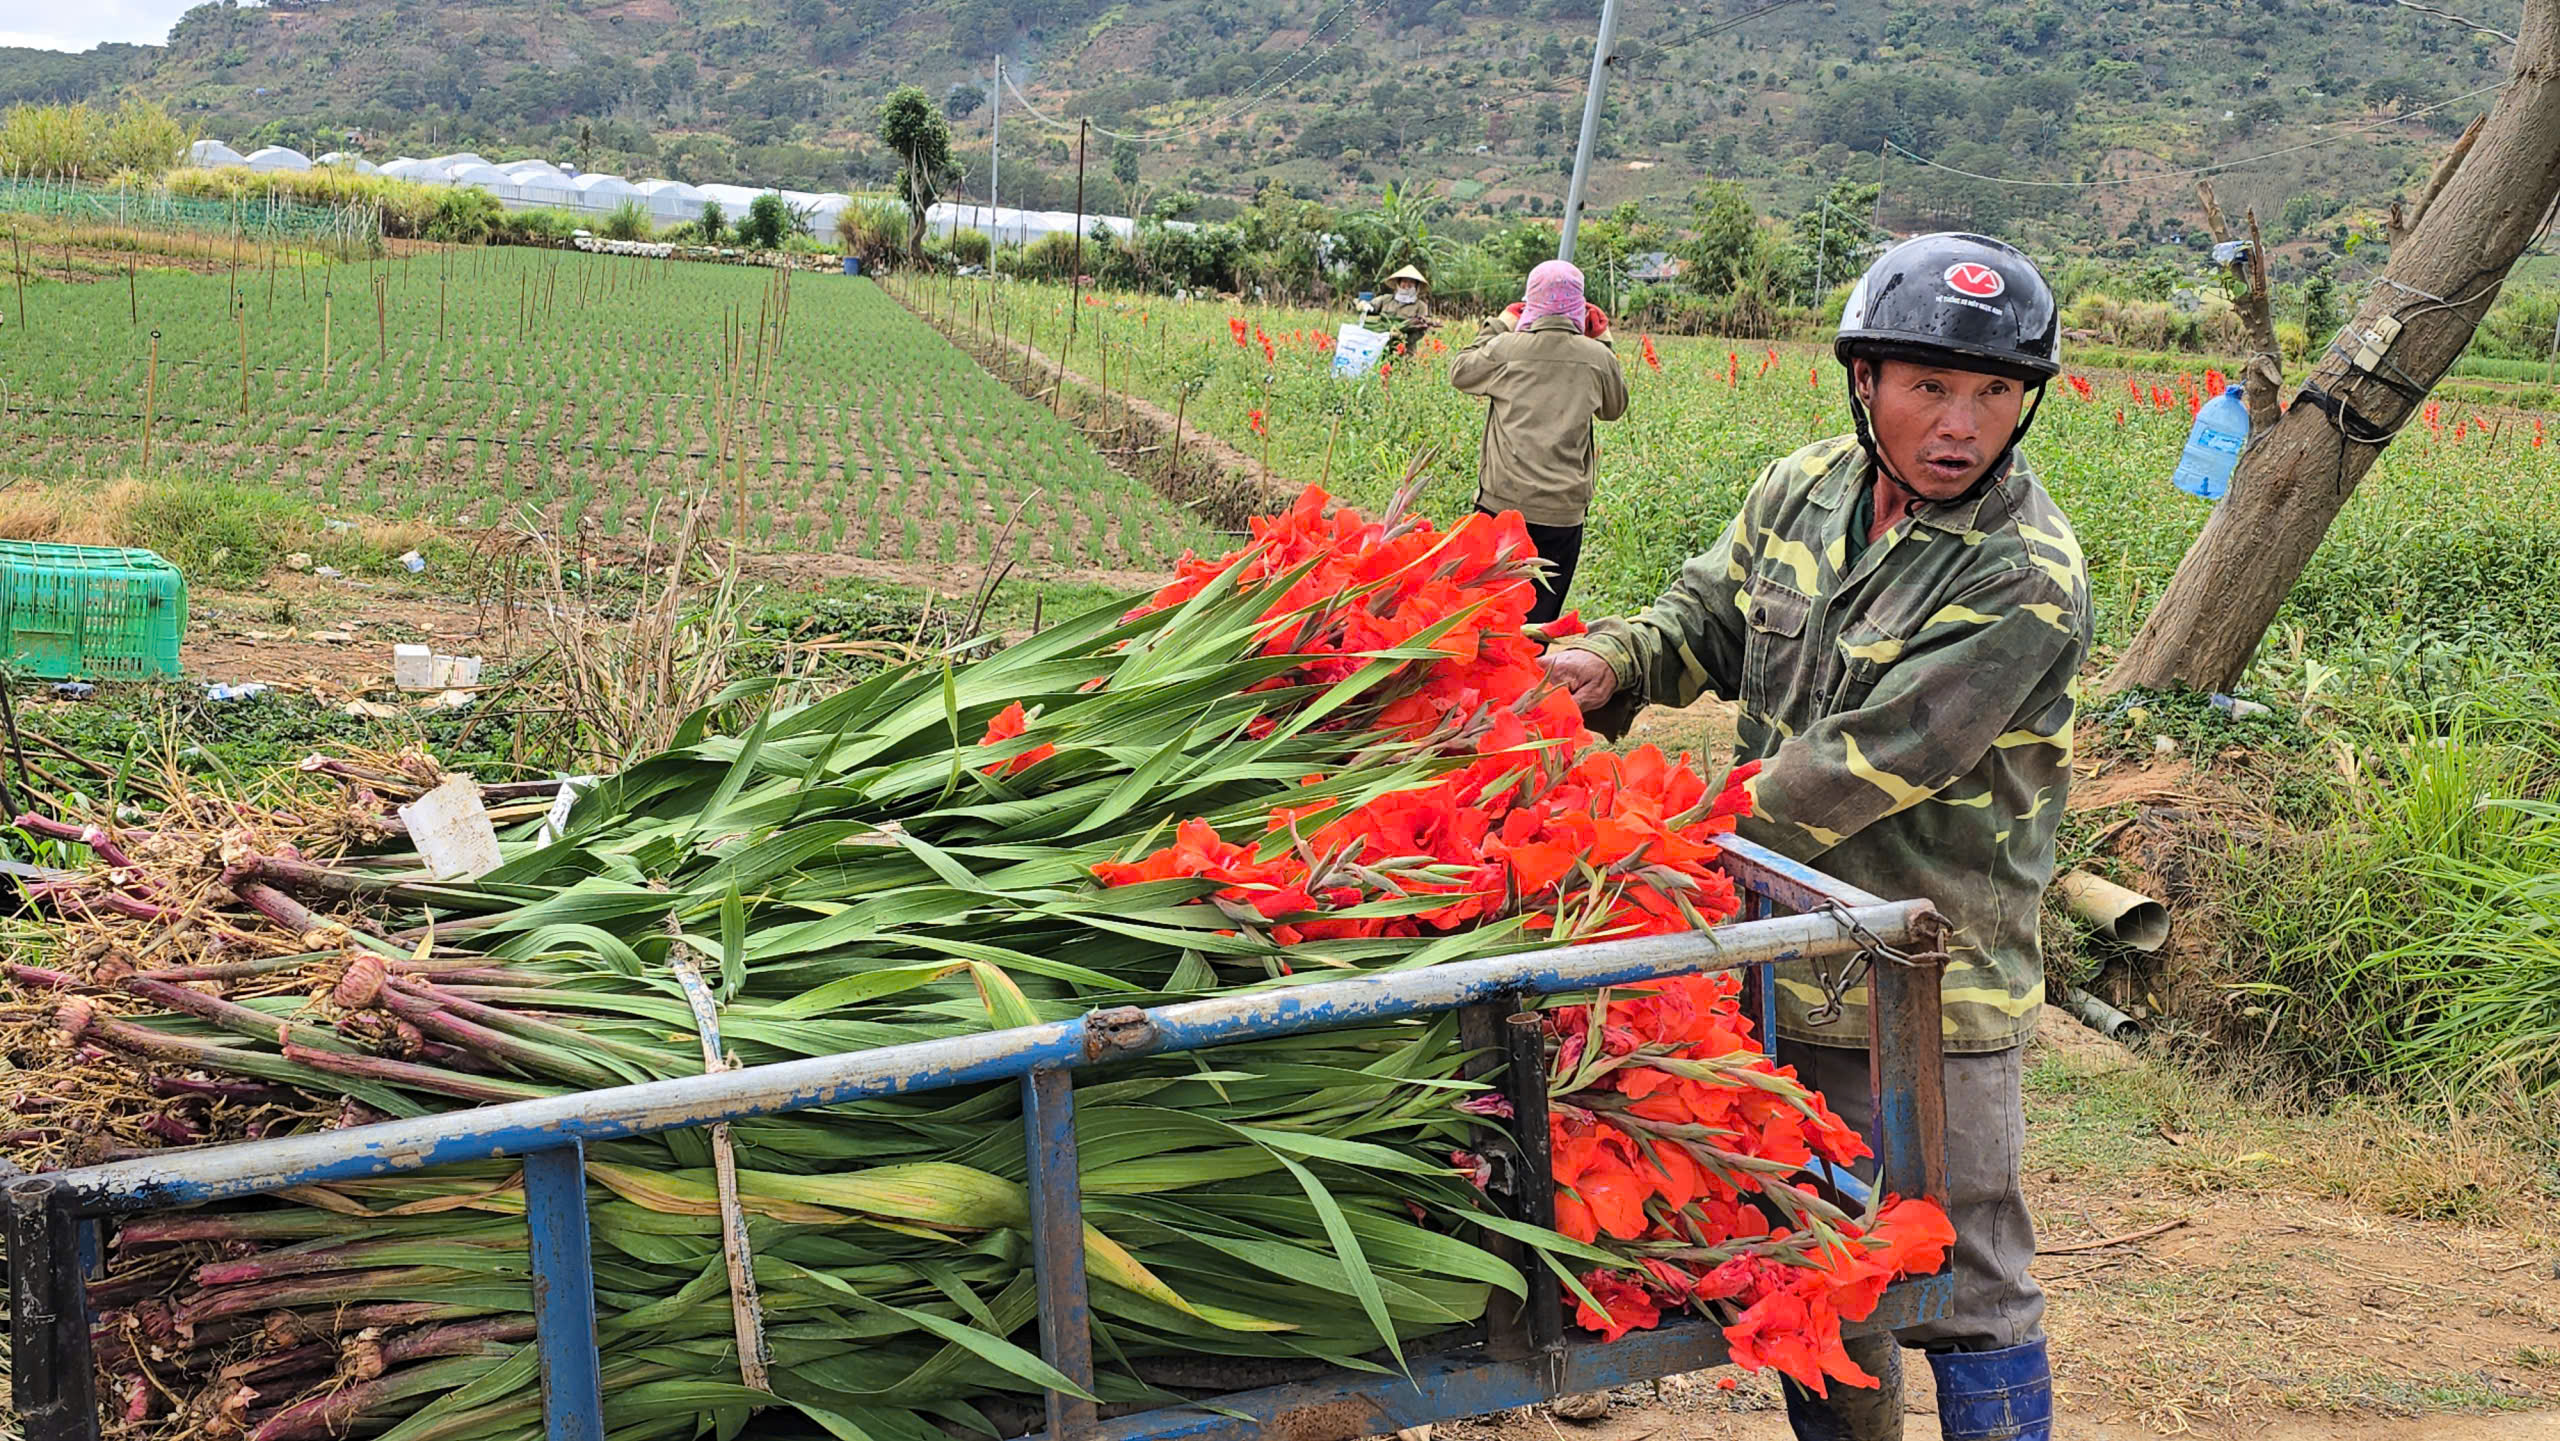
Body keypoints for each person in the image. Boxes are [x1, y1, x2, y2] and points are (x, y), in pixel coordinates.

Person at [1542, 233, 2087, 1441]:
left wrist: (1650, 826)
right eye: (1929, 386)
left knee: (1969, 1268)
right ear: (1864, 383)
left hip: (1923, 972)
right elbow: (1707, 617)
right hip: (1775, 948)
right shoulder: (1802, 488)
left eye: (1993, 391)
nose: (1961, 422)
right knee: (1816, 1244)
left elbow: (1863, 762)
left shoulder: (2024, 574)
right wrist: (1606, 660)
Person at [1452, 259, 1629, 624]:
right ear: (1580, 308)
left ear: (1530, 303)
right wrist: (1603, 341)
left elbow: (1460, 372)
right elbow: (1614, 408)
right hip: (1562, 515)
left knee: (1481, 612)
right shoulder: (1597, 359)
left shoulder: (1505, 349)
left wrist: (1499, 323)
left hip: (1502, 504)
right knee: (1539, 622)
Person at [1361, 264, 1437, 353]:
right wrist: (1364, 305)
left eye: (1411, 282)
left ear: (1417, 286)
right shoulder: (1386, 299)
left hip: (1405, 351)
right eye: (1404, 281)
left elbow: (1421, 330)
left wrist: (1402, 337)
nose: (1407, 285)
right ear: (1398, 283)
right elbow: (1368, 305)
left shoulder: (1421, 306)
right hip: (1380, 346)